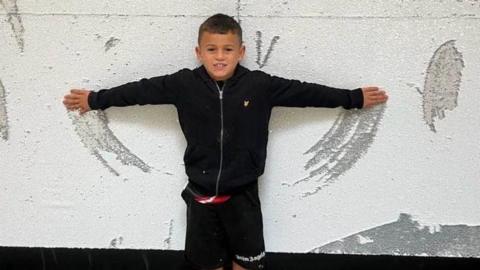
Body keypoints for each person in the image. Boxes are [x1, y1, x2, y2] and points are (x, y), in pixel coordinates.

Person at [63, 13, 388, 270]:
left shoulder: (260, 86)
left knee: (246, 263)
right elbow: (138, 91)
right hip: (201, 196)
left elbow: (308, 92)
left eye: (228, 49)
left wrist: (353, 98)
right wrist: (96, 99)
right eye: (212, 49)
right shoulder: (182, 84)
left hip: (243, 196)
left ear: (241, 52)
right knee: (207, 264)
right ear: (199, 51)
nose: (220, 57)